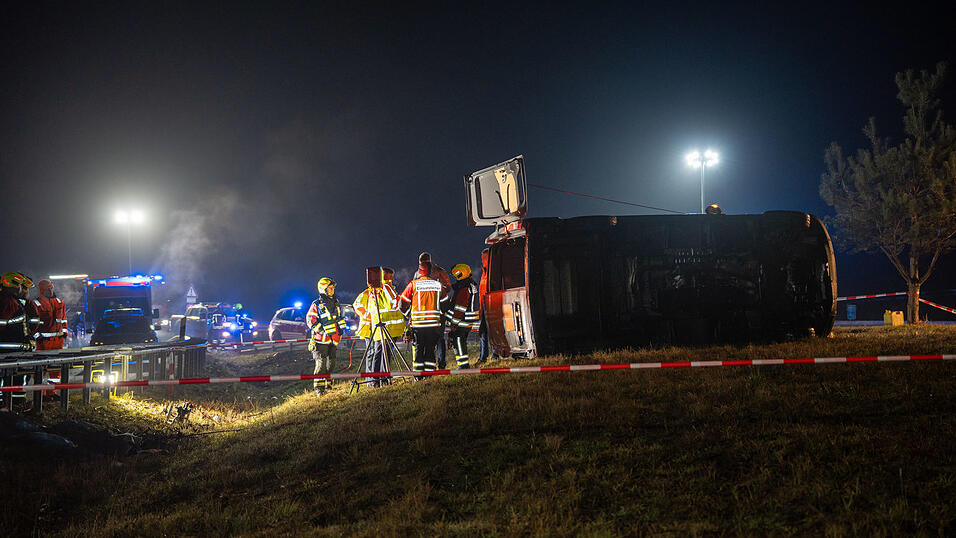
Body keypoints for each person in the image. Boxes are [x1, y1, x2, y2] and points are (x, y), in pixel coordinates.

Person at [353, 267, 405, 388]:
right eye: (391, 276)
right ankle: (373, 381)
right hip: (375, 328)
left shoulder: (382, 289)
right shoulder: (375, 290)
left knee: (383, 354)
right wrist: (368, 316)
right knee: (375, 354)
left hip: (384, 327)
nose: (392, 279)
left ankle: (381, 379)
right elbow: (394, 303)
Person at [396, 262, 446, 373]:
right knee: (430, 349)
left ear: (419, 272)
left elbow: (401, 304)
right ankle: (429, 373)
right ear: (430, 271)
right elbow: (445, 304)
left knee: (418, 348)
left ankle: (418, 376)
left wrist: (410, 314)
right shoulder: (438, 285)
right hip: (434, 325)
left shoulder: (413, 285)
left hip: (418, 325)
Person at [306, 277, 347, 396]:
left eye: (333, 288)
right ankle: (319, 389)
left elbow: (339, 318)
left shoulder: (336, 302)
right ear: (323, 289)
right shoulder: (317, 304)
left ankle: (328, 385)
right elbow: (310, 320)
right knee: (321, 364)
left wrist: (341, 328)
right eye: (330, 288)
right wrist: (321, 329)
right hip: (320, 341)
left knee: (332, 363)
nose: (332, 290)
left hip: (333, 339)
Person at [417, 252, 452, 368]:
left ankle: (430, 365)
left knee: (427, 340)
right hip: (437, 310)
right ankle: (440, 363)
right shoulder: (440, 271)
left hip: (424, 312)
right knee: (438, 337)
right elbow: (448, 287)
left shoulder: (418, 273)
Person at [444, 263, 480, 369]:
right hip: (466, 320)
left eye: (456, 275)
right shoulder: (470, 285)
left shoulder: (464, 288)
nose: (455, 277)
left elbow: (460, 308)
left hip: (462, 321)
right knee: (460, 341)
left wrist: (454, 323)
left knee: (458, 341)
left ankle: (463, 366)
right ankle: (463, 365)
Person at [0, 272, 36, 353]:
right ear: (14, 286)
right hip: (11, 349)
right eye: (20, 285)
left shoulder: (9, 301)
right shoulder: (9, 302)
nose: (21, 288)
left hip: (13, 348)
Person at [32, 279, 68, 350]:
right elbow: (32, 324)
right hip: (43, 341)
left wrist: (64, 334)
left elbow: (63, 320)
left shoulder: (60, 302)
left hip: (58, 340)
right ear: (42, 291)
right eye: (48, 289)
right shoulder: (35, 304)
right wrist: (37, 337)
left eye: (51, 288)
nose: (50, 291)